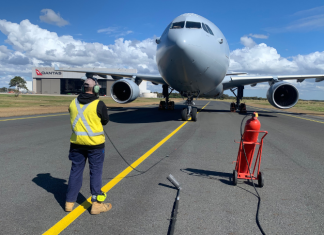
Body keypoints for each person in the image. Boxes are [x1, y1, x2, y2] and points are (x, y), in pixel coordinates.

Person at [65, 77, 112, 215]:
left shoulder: (72, 103)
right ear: (96, 89)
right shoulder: (99, 104)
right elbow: (105, 121)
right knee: (96, 172)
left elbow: (72, 113)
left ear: (82, 88)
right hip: (95, 145)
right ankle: (96, 205)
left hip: (76, 144)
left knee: (75, 171)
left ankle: (69, 203)